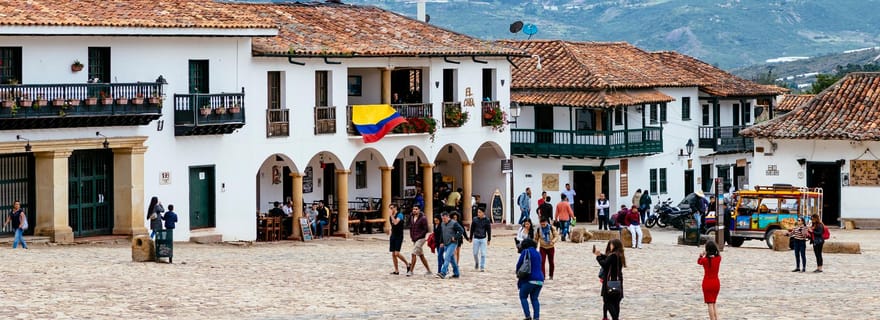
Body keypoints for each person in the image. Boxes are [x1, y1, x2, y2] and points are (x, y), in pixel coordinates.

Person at [594, 238, 625, 320]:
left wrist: (598, 257)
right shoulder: (620, 254)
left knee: (607, 301)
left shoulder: (613, 255)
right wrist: (601, 255)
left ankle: (615, 318)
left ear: (614, 246)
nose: (610, 246)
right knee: (616, 302)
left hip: (609, 281)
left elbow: (605, 264)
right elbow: (608, 258)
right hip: (618, 281)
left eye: (611, 245)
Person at [516, 238, 544, 320]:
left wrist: (518, 274)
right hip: (540, 280)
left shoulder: (526, 251)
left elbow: (519, 264)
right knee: (535, 299)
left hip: (529, 279)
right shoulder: (538, 253)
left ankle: (527, 316)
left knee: (523, 296)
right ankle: (536, 317)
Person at [698, 240, 722, 320]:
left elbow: (699, 262)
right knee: (714, 303)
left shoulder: (705, 260)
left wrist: (702, 255)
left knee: (710, 304)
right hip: (716, 283)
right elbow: (717, 255)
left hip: (707, 283)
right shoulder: (718, 258)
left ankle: (712, 318)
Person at [437, 212, 465, 279]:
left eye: (444, 218)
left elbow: (461, 230)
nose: (443, 220)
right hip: (445, 243)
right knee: (452, 260)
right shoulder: (442, 224)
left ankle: (443, 272)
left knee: (447, 257)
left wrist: (455, 237)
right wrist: (441, 242)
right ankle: (456, 273)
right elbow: (442, 233)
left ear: (448, 217)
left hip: (453, 243)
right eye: (442, 218)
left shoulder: (454, 223)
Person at [407, 206, 431, 276]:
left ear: (419, 210)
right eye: (414, 209)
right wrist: (412, 236)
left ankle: (411, 271)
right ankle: (429, 270)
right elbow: (411, 228)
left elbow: (426, 229)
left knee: (413, 253)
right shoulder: (411, 217)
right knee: (421, 255)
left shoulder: (423, 218)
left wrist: (418, 236)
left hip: (421, 239)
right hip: (414, 239)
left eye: (416, 209)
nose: (414, 210)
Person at [388, 204, 409, 275]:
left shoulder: (400, 215)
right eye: (389, 208)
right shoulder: (391, 216)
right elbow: (392, 225)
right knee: (393, 254)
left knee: (397, 253)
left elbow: (396, 222)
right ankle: (396, 270)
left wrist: (391, 216)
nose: (390, 209)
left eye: (391, 208)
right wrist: (390, 232)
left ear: (395, 208)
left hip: (399, 236)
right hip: (393, 235)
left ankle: (407, 264)